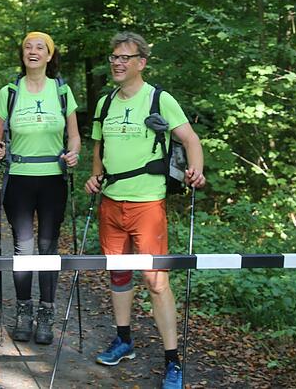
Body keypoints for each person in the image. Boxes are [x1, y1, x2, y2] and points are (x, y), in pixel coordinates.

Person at [84, 32, 206, 389]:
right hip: (111, 201)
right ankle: (124, 340)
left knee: (155, 281)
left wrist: (195, 170)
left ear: (141, 62)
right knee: (118, 276)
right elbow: (99, 146)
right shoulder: (105, 103)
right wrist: (95, 177)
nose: (117, 63)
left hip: (147, 204)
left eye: (125, 58)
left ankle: (173, 361)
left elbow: (190, 139)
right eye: (113, 58)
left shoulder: (159, 99)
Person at [0, 32, 81, 344]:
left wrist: (74, 153)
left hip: (53, 177)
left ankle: (46, 313)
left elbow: (74, 135)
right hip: (20, 177)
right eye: (28, 47)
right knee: (23, 248)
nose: (33, 51)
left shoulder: (62, 91)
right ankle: (24, 311)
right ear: (22, 54)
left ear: (50, 55)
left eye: (40, 47)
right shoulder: (10, 91)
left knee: (47, 246)